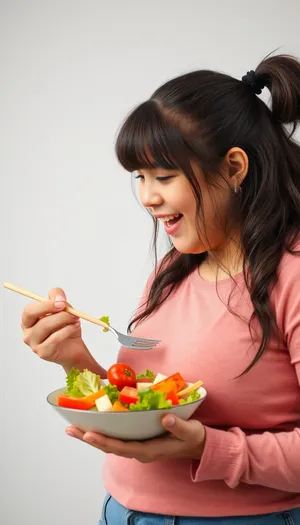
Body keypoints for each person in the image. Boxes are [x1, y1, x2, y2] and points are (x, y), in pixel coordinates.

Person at [21, 53, 300, 525]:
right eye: (140, 177)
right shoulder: (176, 267)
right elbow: (149, 403)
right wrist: (74, 358)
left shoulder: (291, 274)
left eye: (164, 177)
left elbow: (188, 435)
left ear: (233, 168)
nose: (147, 197)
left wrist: (210, 449)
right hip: (122, 513)